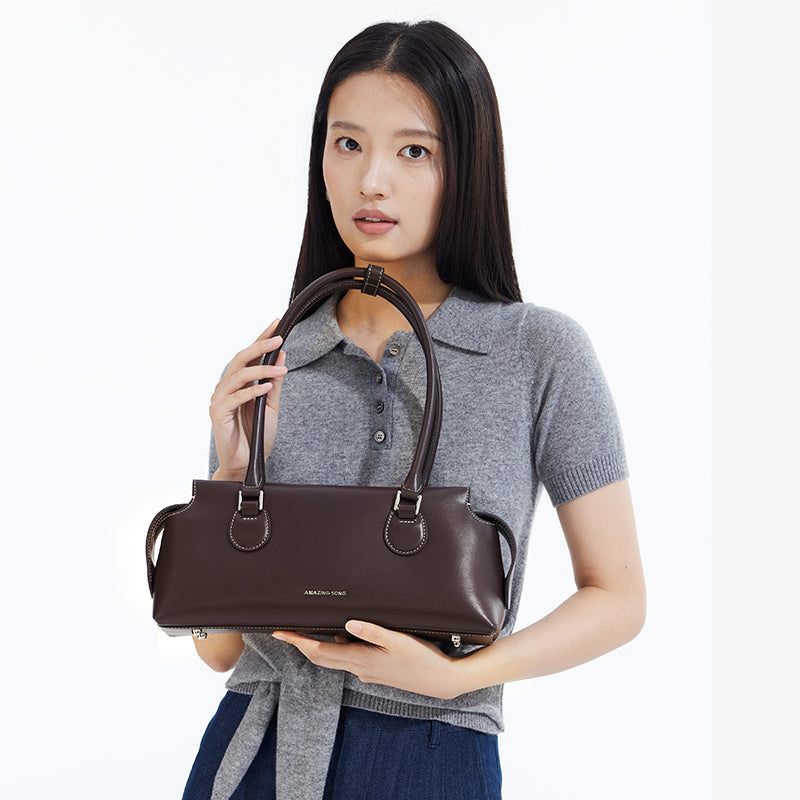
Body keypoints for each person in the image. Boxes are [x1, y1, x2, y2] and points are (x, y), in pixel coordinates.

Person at [181, 19, 646, 800]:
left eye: (414, 151)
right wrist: (230, 471)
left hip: (432, 752)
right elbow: (220, 651)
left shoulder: (538, 352)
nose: (372, 182)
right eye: (348, 144)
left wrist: (454, 677)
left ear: (466, 167)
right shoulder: (274, 356)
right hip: (250, 753)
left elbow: (619, 596)